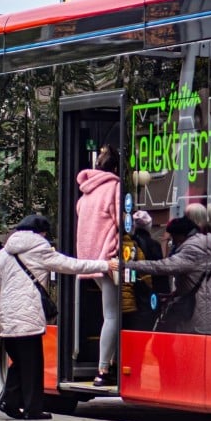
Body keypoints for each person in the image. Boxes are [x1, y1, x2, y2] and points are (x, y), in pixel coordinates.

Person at [0, 214, 114, 419]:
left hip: (7, 314)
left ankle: (9, 402)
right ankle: (32, 410)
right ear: (41, 232)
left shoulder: (4, 252)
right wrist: (104, 265)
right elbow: (71, 265)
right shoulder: (39, 248)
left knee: (18, 361)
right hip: (27, 314)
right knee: (32, 364)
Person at [124, 214, 211, 336]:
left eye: (174, 239)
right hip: (210, 316)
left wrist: (129, 265)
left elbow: (162, 266)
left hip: (201, 321)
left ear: (181, 236)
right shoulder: (205, 245)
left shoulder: (193, 250)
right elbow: (196, 280)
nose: (174, 243)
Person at [76, 145, 121, 386]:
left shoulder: (86, 193)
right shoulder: (114, 187)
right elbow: (122, 221)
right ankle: (103, 370)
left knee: (110, 314)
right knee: (112, 316)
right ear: (115, 168)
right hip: (108, 260)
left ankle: (109, 364)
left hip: (89, 261)